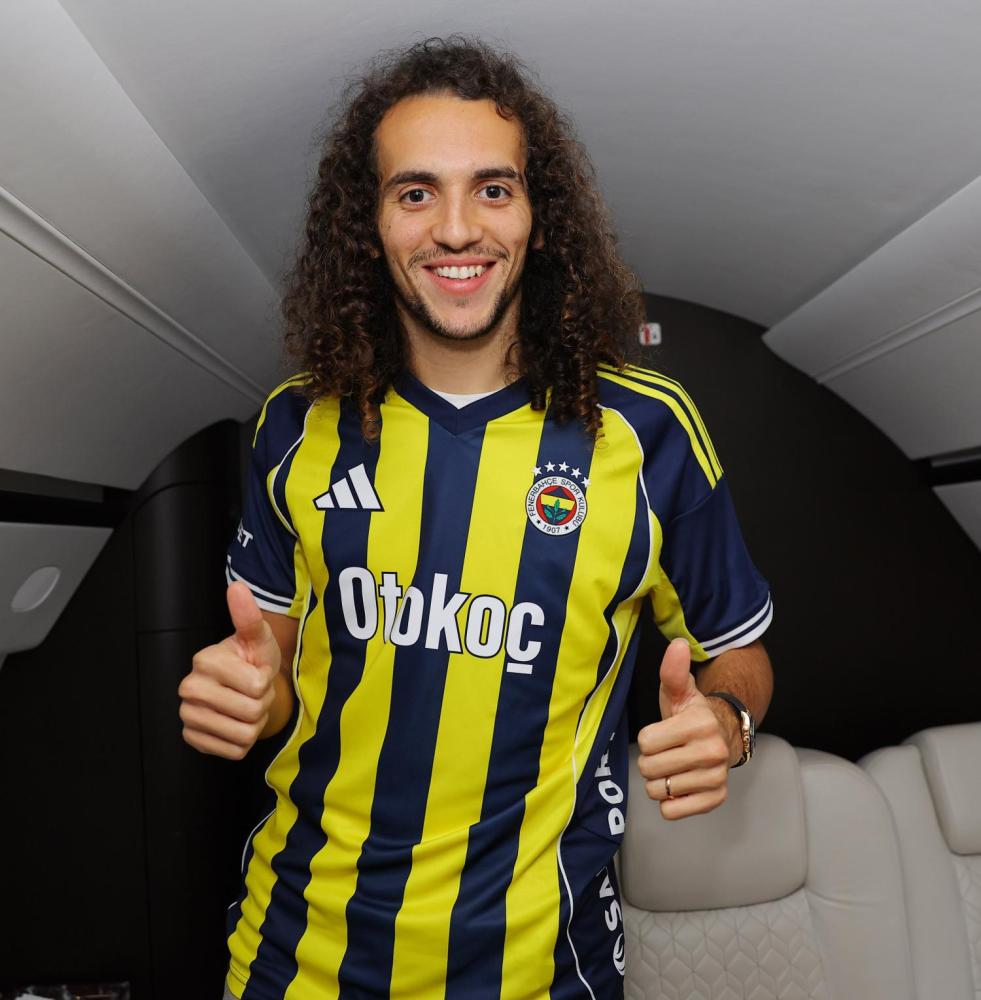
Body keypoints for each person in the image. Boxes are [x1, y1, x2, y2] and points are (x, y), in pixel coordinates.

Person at [178, 35, 774, 1000]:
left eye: (492, 189)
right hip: (295, 955)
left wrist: (727, 719)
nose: (456, 229)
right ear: (369, 224)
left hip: (546, 967)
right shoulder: (296, 424)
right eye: (415, 193)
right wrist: (250, 699)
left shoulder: (648, 433)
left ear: (539, 218)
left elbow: (739, 651)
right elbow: (273, 671)